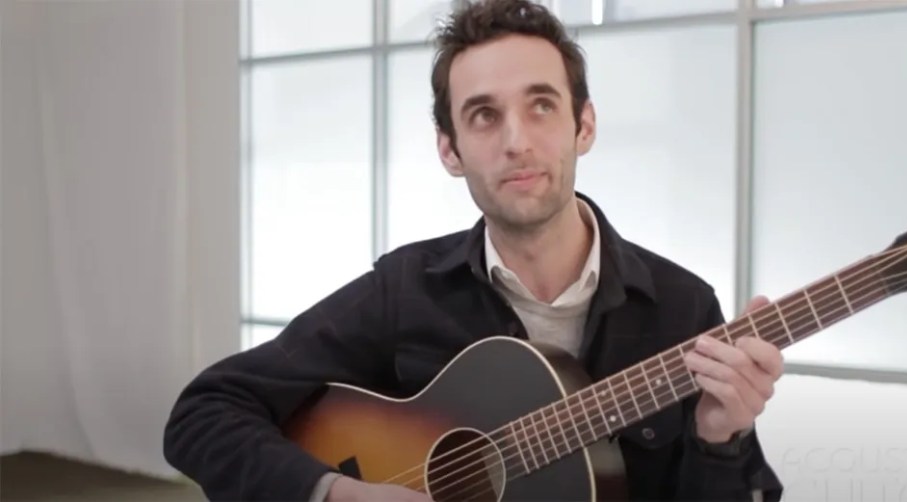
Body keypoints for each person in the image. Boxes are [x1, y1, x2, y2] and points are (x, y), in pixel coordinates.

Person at [163, 0, 786, 500]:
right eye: (484, 116)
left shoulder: (682, 306)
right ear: (450, 150)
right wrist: (334, 491)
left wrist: (719, 437)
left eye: (541, 106)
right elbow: (203, 414)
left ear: (583, 125)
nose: (516, 141)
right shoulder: (404, 290)